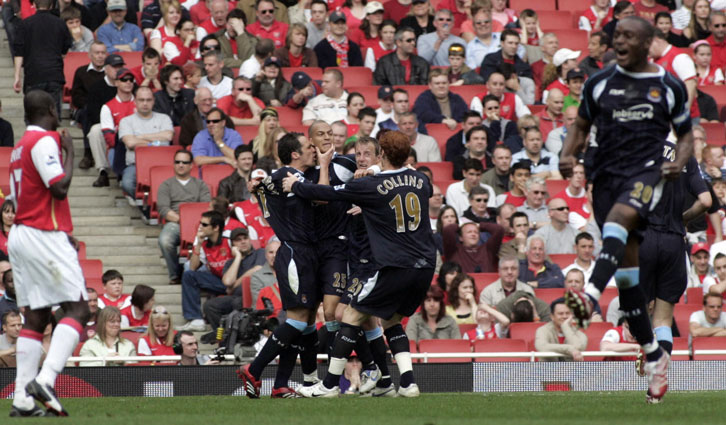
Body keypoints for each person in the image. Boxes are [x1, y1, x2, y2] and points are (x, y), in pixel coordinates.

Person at [559, 16, 692, 404]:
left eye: (629, 36)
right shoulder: (598, 83)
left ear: (649, 42)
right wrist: (568, 153)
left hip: (646, 174)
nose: (620, 41)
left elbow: (685, 137)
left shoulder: (667, 86)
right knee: (629, 281)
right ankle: (654, 355)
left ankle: (588, 293)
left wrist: (678, 163)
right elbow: (580, 126)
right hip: (606, 178)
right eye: (617, 35)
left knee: (620, 220)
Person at [284, 131, 436, 398]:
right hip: (424, 266)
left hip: (393, 264)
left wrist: (294, 186)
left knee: (351, 316)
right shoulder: (422, 180)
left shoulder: (371, 186)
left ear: (382, 155)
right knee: (392, 320)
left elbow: (325, 192)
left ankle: (330, 385)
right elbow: (414, 181)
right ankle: (408, 382)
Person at [7, 91, 91, 417]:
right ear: (51, 110)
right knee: (79, 309)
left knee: (37, 316)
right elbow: (59, 186)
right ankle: (46, 379)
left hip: (21, 234)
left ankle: (22, 400)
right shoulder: (44, 142)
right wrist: (69, 151)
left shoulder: (18, 147)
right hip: (42, 233)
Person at [157, 150, 212, 285]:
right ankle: (175, 274)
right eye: (177, 162)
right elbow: (164, 209)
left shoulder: (201, 185)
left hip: (199, 223)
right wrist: (184, 220)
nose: (181, 165)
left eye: (185, 162)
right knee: (165, 240)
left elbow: (205, 207)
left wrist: (192, 221)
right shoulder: (166, 185)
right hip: (175, 222)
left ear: (191, 165)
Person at [12, 0, 72, 117]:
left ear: (34, 5)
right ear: (51, 5)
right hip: (54, 75)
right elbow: (65, 48)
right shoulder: (60, 23)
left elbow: (19, 52)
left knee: (32, 116)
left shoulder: (25, 24)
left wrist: (17, 76)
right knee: (53, 116)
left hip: (34, 75)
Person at [118, 86, 174, 197]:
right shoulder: (126, 121)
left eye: (148, 100)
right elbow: (130, 143)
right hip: (135, 165)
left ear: (153, 101)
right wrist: (155, 142)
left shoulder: (164, 118)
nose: (145, 103)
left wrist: (139, 137)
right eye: (141, 100)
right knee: (127, 183)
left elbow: (168, 136)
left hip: (161, 164)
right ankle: (146, 208)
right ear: (135, 101)